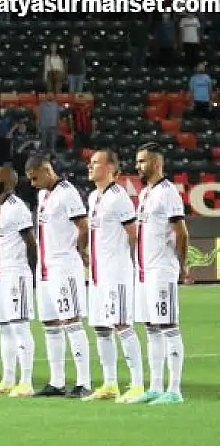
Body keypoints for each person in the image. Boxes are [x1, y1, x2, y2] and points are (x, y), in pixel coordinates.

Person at [26, 155, 92, 398]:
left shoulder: (67, 193)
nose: (32, 183)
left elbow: (83, 225)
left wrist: (80, 250)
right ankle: (56, 381)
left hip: (64, 267)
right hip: (45, 270)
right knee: (51, 325)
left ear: (46, 170)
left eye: (34, 177)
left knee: (72, 322)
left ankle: (84, 382)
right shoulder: (43, 195)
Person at [130, 143, 189, 404]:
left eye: (142, 161)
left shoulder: (168, 193)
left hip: (161, 270)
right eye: (137, 161)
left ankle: (174, 390)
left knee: (168, 327)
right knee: (151, 328)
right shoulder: (145, 193)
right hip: (143, 272)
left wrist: (182, 264)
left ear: (156, 163)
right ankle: (155, 387)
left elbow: (182, 233)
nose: (137, 166)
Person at [83, 150, 143, 401]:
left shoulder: (118, 197)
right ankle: (110, 383)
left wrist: (129, 264)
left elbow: (133, 234)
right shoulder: (93, 197)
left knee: (121, 324)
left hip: (116, 273)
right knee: (100, 327)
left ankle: (138, 384)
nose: (90, 165)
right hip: (97, 274)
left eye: (95, 162)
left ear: (110, 167)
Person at [0, 166, 38, 396]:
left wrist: (31, 275)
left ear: (7, 181)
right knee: (2, 327)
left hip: (16, 273)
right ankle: (8, 379)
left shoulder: (18, 208)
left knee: (19, 326)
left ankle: (26, 382)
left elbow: (31, 243)